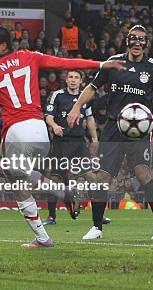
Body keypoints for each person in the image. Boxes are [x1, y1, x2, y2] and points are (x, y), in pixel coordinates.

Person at [0, 25, 123, 248]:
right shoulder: (29, 56)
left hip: (17, 131)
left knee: (12, 171)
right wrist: (100, 64)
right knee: (17, 181)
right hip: (41, 131)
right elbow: (65, 63)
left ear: (3, 45)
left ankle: (62, 192)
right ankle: (43, 238)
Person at [67, 25, 153, 240]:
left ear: (146, 43)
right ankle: (97, 227)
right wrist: (76, 107)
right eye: (133, 38)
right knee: (102, 177)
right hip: (113, 127)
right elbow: (92, 88)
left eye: (141, 39)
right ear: (127, 41)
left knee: (143, 173)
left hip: (139, 131)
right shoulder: (114, 62)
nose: (137, 42)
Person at [43, 70, 110, 226]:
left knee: (92, 178)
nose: (73, 80)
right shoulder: (57, 95)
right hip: (60, 142)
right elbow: (48, 116)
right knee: (55, 180)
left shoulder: (84, 98)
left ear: (81, 81)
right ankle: (51, 217)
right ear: (66, 80)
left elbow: (90, 118)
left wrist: (94, 138)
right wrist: (54, 126)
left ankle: (99, 215)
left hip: (79, 143)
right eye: (70, 77)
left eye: (76, 78)